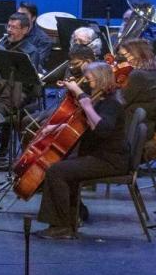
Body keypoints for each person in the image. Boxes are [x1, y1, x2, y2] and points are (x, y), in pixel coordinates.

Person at [34, 62, 128, 239]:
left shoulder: (111, 103)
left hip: (110, 160)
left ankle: (62, 227)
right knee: (60, 166)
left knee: (56, 171)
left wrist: (86, 104)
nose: (87, 82)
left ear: (100, 79)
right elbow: (86, 125)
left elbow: (102, 129)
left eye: (90, 79)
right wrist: (57, 127)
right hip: (99, 156)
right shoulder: (101, 99)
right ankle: (71, 219)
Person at [116, 39, 156, 160]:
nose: (120, 60)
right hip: (146, 127)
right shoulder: (151, 72)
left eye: (123, 56)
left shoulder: (138, 75)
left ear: (136, 54)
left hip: (131, 133)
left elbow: (120, 103)